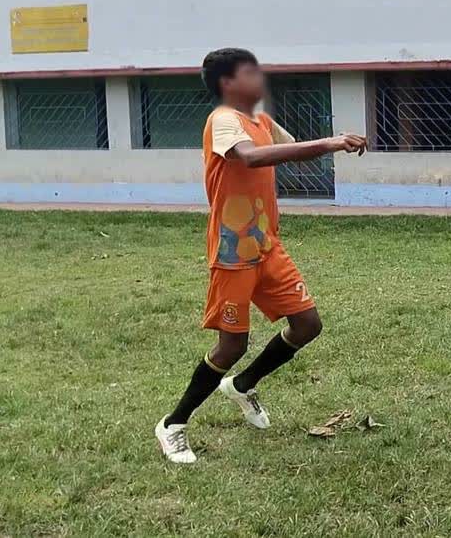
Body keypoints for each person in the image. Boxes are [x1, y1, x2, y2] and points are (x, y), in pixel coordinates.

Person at [155, 48, 367, 464]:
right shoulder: (223, 120)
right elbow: (249, 158)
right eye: (251, 72)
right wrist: (328, 142)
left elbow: (291, 149)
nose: (260, 77)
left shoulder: (261, 121)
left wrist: (333, 144)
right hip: (233, 253)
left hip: (267, 245)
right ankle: (173, 424)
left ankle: (242, 385)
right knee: (230, 346)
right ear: (228, 83)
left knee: (307, 324)